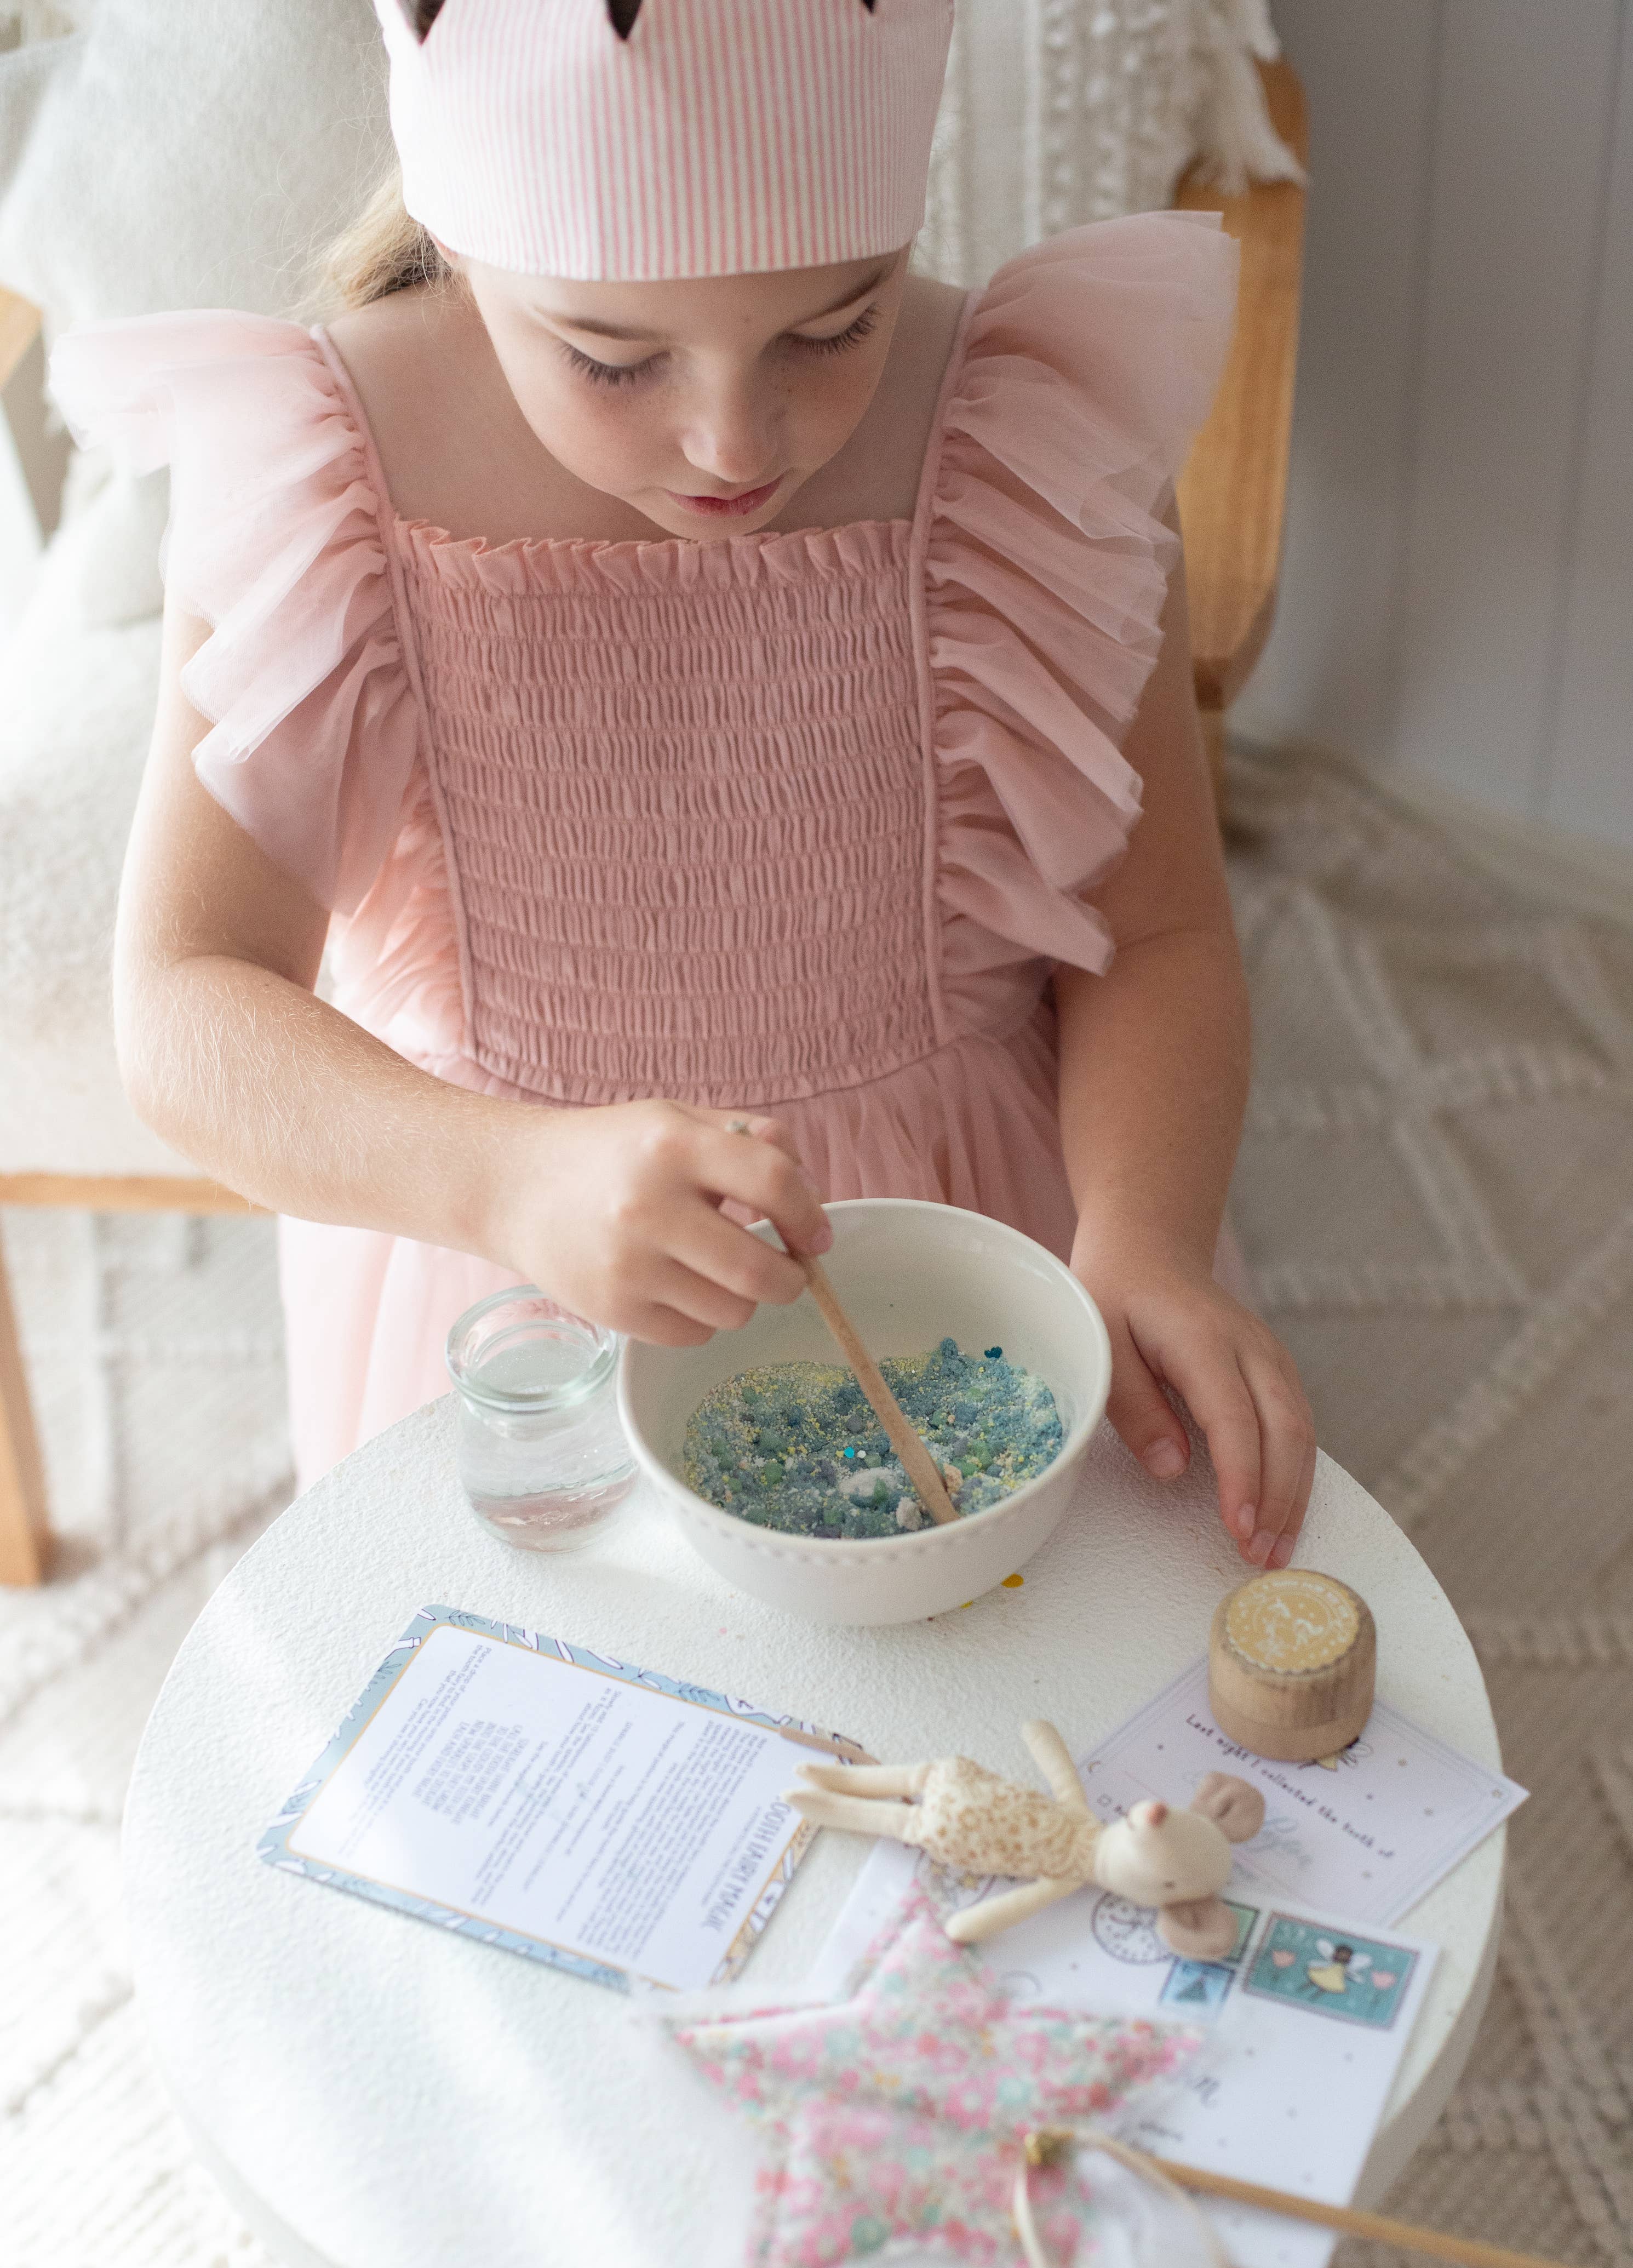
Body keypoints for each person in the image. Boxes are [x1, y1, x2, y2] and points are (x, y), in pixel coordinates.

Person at [53, 0, 1314, 1566]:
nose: (734, 437)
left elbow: (1163, 933)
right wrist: (510, 1182)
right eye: (611, 355)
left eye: (833, 327)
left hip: (986, 1251)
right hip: (535, 1293)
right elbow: (185, 1000)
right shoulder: (329, 465)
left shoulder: (1019, 424)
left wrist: (1144, 1232)